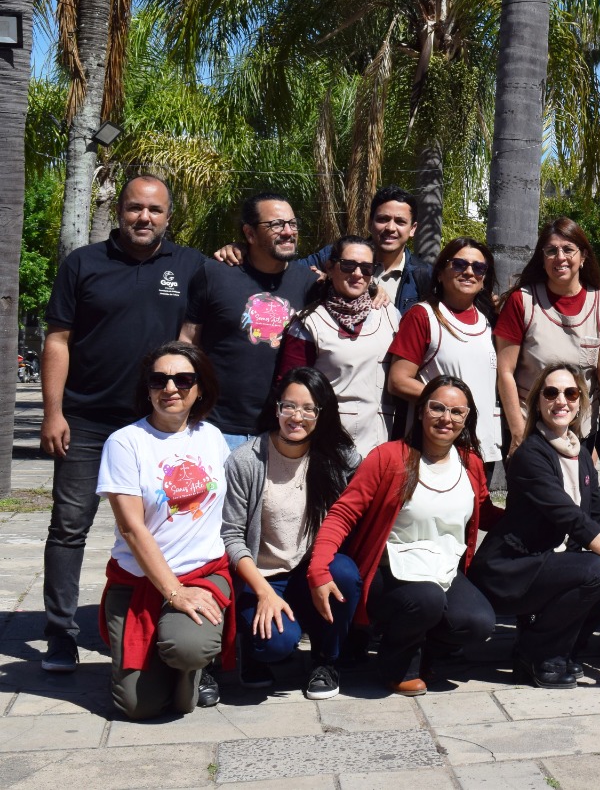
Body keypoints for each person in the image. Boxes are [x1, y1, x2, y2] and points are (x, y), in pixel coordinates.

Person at [39, 175, 206, 673]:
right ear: (120, 211)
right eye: (135, 208)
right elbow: (58, 340)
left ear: (168, 217)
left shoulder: (189, 265)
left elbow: (191, 337)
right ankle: (60, 633)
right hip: (86, 420)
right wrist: (53, 412)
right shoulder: (83, 264)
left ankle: (162, 616)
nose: (144, 218)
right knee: (70, 526)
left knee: (167, 523)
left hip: (154, 424)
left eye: (155, 210)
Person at [472, 363, 600, 687]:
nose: (561, 400)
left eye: (570, 393)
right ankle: (535, 652)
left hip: (553, 561)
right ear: (538, 402)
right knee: (596, 571)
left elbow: (597, 514)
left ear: (579, 403)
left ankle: (565, 649)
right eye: (551, 393)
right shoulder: (530, 455)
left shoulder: (579, 453)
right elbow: (573, 520)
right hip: (513, 568)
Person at [307, 376, 499, 697]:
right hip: (389, 573)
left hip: (444, 571)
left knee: (477, 622)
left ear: (467, 419)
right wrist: (319, 567)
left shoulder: (471, 463)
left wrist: (539, 514)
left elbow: (486, 511)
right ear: (421, 411)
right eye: (437, 408)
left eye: (457, 412)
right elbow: (343, 513)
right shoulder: (388, 457)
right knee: (427, 600)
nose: (446, 418)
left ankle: (423, 649)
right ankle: (397, 664)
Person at [97, 343, 232, 719]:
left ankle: (191, 667)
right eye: (159, 380)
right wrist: (174, 592)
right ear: (148, 388)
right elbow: (131, 528)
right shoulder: (125, 443)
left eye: (183, 380)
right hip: (138, 581)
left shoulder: (211, 437)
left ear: (200, 388)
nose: (170, 388)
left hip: (203, 573)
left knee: (187, 649)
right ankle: (161, 659)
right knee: (138, 706)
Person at [222, 368, 361, 699]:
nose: (297, 417)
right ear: (276, 408)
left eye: (309, 409)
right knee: (276, 645)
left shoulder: (337, 456)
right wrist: (263, 592)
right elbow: (231, 536)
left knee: (344, 574)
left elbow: (371, 487)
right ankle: (252, 650)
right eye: (289, 406)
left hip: (311, 571)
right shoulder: (246, 460)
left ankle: (325, 660)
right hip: (263, 577)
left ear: (322, 413)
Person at [181, 193, 318, 451]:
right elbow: (188, 341)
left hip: (282, 428)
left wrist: (377, 291)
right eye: (276, 224)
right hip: (215, 427)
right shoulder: (214, 273)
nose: (288, 232)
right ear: (250, 233)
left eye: (293, 223)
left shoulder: (310, 284)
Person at [496, 218, 600, 452]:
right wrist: (517, 432)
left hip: (581, 432)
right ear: (542, 258)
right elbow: (505, 371)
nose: (560, 257)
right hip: (531, 430)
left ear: (583, 256)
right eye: (551, 251)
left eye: (568, 249)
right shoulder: (522, 301)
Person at [214, 185, 432, 312]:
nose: (390, 228)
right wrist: (245, 247)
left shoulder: (424, 276)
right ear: (370, 222)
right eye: (383, 219)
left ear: (413, 229)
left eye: (400, 222)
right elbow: (283, 268)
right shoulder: (335, 255)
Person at [277, 236, 402, 457]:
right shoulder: (309, 322)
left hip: (384, 445)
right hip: (330, 447)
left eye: (366, 268)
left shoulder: (390, 314)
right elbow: (289, 389)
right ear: (330, 267)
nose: (357, 274)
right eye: (348, 265)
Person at [387, 238, 503, 476]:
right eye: (459, 264)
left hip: (481, 449)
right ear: (440, 273)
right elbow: (398, 381)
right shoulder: (423, 316)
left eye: (478, 267)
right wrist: (450, 405)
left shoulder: (488, 322)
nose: (469, 272)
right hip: (435, 449)